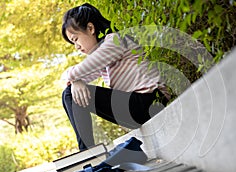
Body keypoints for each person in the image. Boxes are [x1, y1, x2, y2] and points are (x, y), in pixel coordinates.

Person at [61, 3, 170, 151]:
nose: (77, 47)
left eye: (75, 39)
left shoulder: (114, 41)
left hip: (151, 102)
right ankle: (87, 152)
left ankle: (86, 152)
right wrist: (75, 81)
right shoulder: (104, 55)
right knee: (70, 93)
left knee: (70, 94)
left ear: (91, 28)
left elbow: (76, 72)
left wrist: (74, 79)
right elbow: (77, 77)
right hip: (138, 106)